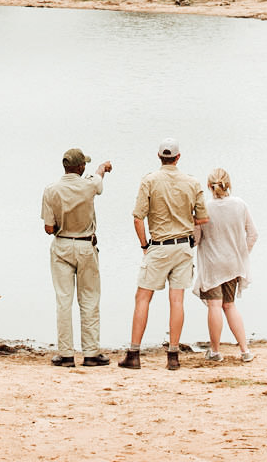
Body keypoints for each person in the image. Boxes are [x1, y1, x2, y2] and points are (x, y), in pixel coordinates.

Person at [122, 138, 208, 370]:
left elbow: (138, 217)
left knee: (143, 298)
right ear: (178, 157)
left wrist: (144, 246)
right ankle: (173, 355)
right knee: (177, 300)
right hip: (182, 247)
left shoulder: (149, 180)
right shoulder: (192, 182)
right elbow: (202, 218)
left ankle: (134, 353)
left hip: (159, 246)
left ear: (159, 156)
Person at [41, 147, 113, 368]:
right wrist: (101, 168)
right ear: (81, 167)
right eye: (85, 165)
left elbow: (49, 228)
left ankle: (66, 354)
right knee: (89, 299)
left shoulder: (51, 190)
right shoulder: (89, 184)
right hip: (85, 244)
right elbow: (98, 180)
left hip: (62, 245)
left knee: (64, 300)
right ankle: (91, 353)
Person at [194, 167, 258, 362]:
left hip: (213, 264)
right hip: (233, 264)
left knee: (214, 306)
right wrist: (242, 254)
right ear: (228, 184)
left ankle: (214, 351)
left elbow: (196, 239)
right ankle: (245, 351)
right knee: (229, 306)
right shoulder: (240, 204)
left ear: (209, 186)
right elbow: (253, 234)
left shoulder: (204, 208)